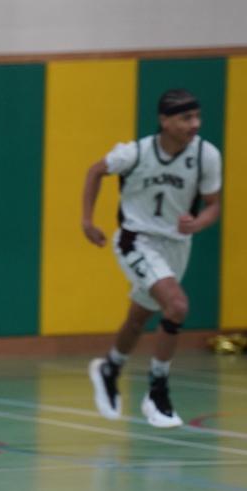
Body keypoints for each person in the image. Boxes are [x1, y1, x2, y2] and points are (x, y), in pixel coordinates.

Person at [83, 88, 221, 428]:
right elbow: (94, 171)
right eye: (186, 118)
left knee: (139, 317)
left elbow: (213, 205)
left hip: (176, 246)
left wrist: (198, 223)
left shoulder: (206, 155)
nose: (195, 124)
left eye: (197, 117)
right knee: (177, 305)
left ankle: (110, 367)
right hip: (136, 240)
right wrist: (87, 221)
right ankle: (157, 392)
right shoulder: (135, 153)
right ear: (164, 120)